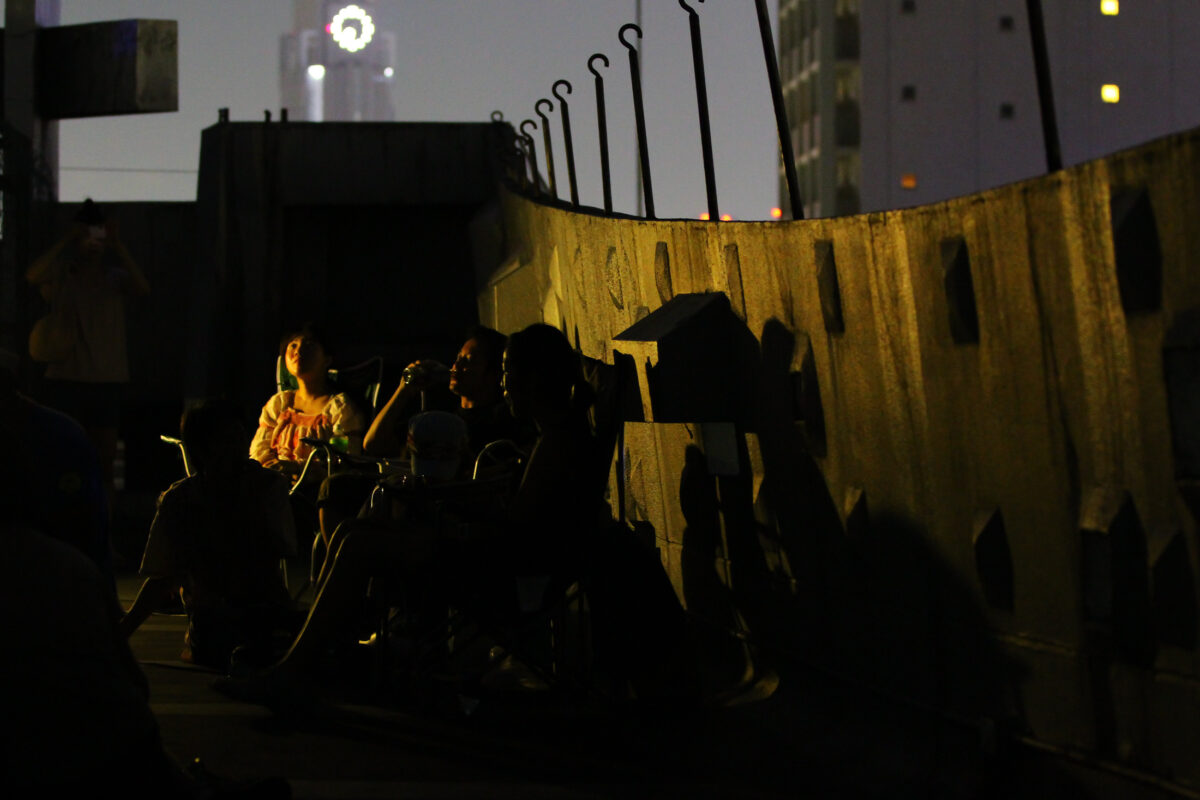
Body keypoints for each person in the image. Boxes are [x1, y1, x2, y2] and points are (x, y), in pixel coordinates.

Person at [216, 324, 606, 698]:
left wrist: (449, 507)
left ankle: (303, 661)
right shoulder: (552, 432)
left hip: (491, 570)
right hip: (481, 551)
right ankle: (316, 650)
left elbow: (518, 530)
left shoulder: (553, 440)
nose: (506, 384)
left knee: (359, 541)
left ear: (536, 378)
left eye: (508, 372)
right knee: (353, 529)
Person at [121, 400, 300, 669]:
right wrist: (122, 632)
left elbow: (276, 552)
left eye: (240, 438)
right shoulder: (180, 500)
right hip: (213, 623)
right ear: (202, 449)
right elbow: (162, 576)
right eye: (226, 441)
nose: (237, 449)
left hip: (264, 613)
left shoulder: (267, 486)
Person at [25, 199, 150, 505]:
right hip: (66, 378)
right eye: (88, 235)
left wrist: (118, 245)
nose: (94, 243)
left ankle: (103, 528)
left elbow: (142, 288)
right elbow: (33, 275)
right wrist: (68, 240)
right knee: (63, 460)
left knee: (103, 462)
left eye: (98, 236)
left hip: (106, 379)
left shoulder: (114, 277)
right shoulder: (64, 274)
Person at [250, 323, 367, 485]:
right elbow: (259, 448)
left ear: (327, 359)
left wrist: (296, 467)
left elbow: (345, 461)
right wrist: (271, 466)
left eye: (309, 345)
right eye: (293, 345)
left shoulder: (340, 409)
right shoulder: (279, 404)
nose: (298, 351)